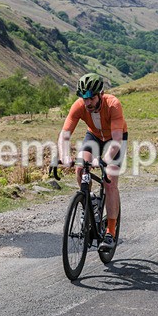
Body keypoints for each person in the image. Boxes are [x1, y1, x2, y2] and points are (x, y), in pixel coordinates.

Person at [58, 73, 128, 252]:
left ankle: (110, 232)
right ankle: (89, 203)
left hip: (115, 138)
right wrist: (65, 156)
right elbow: (64, 134)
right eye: (83, 97)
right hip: (94, 135)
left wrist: (104, 159)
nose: (87, 102)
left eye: (91, 97)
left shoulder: (113, 104)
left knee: (110, 180)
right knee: (81, 169)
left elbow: (117, 140)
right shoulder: (79, 106)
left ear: (100, 94)